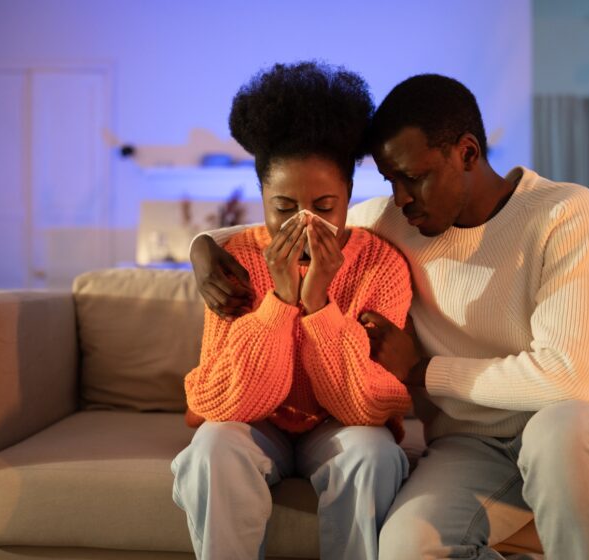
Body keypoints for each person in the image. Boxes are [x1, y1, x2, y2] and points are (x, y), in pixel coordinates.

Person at [190, 74, 589, 560]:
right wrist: (203, 249)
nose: (401, 196)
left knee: (556, 437)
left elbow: (572, 379)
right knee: (405, 549)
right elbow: (296, 222)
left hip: (575, 424)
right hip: (471, 446)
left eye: (414, 177)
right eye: (391, 181)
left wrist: (422, 371)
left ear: (467, 153)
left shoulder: (564, 212)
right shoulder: (398, 219)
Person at [170, 61, 413, 560]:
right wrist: (280, 304)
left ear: (349, 199)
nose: (303, 224)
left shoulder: (380, 265)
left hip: (338, 425)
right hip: (258, 425)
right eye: (283, 208)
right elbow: (224, 405)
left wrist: (319, 304)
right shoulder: (234, 262)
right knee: (212, 448)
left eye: (324, 207)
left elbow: (366, 408)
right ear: (261, 197)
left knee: (374, 454)